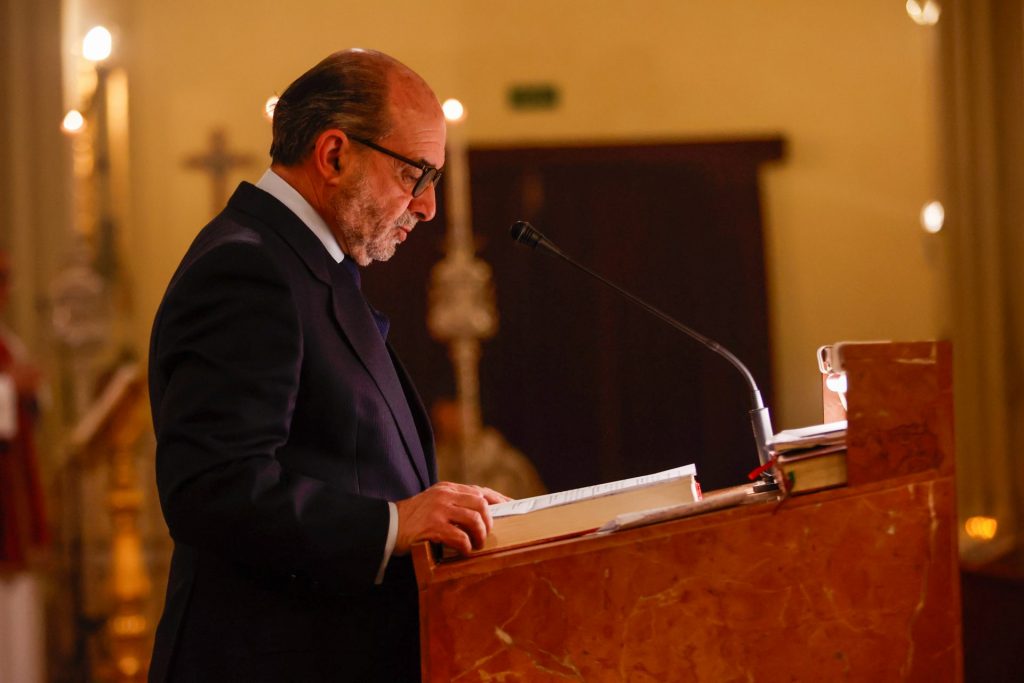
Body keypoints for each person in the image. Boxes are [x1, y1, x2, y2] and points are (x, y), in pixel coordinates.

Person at [148, 49, 507, 682]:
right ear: (335, 154)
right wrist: (395, 523)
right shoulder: (248, 269)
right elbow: (212, 488)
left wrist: (438, 511)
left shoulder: (308, 264)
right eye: (415, 174)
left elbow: (338, 458)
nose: (427, 206)